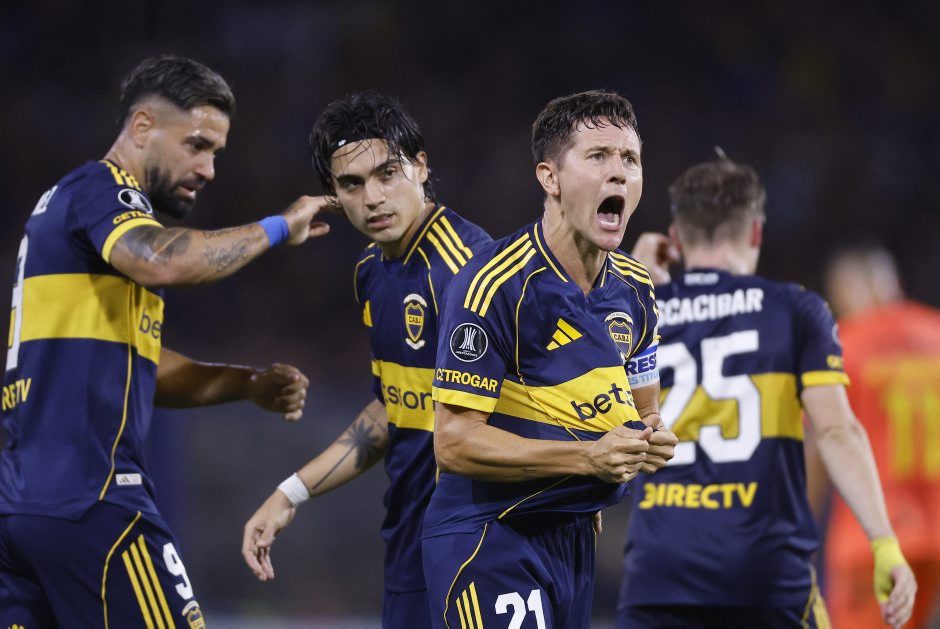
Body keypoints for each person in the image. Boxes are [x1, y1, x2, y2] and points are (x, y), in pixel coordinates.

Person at [0, 54, 332, 627]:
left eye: (216, 153)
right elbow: (161, 260)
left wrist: (245, 384)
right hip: (93, 499)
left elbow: (136, 367)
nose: (208, 169)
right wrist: (279, 226)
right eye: (196, 145)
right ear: (142, 126)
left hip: (23, 510)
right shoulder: (102, 189)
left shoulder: (66, 214)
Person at [617, 158, 917, 628]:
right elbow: (836, 431)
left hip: (661, 570)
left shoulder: (637, 309)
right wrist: (884, 543)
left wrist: (632, 278)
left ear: (675, 238)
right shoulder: (796, 310)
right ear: (756, 231)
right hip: (765, 572)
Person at [422, 90, 678, 628]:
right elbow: (454, 442)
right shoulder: (492, 284)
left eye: (630, 159)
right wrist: (588, 459)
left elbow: (642, 411)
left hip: (574, 538)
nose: (619, 173)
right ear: (550, 178)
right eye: (598, 156)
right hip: (491, 535)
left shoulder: (636, 289)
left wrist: (651, 436)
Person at [241, 91, 492, 628]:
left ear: (421, 167)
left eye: (388, 174)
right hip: (409, 538)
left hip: (479, 543)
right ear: (333, 195)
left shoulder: (470, 270)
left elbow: (535, 400)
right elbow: (393, 409)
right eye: (352, 184)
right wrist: (290, 493)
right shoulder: (371, 272)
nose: (373, 198)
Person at [808, 245, 940, 628]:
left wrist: (799, 533)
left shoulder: (841, 344)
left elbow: (819, 441)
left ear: (845, 290)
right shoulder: (936, 332)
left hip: (871, 541)